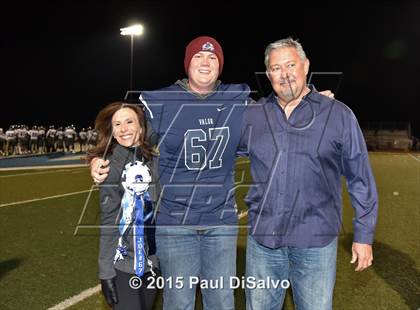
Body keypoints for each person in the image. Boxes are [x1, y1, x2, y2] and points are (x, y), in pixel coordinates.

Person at [90, 36, 334, 310]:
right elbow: (129, 136)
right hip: (175, 224)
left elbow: (277, 112)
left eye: (212, 58)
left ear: (220, 66)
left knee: (220, 301)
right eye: (198, 57)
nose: (205, 62)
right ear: (187, 64)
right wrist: (102, 157)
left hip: (221, 223)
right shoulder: (160, 101)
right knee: (179, 303)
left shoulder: (236, 98)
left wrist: (308, 98)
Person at [240, 37, 378, 310]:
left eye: (291, 64)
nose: (284, 74)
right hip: (263, 243)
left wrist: (363, 235)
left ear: (305, 66)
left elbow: (360, 178)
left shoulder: (338, 115)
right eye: (276, 68)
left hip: (315, 243)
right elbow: (217, 154)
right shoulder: (251, 115)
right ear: (268, 75)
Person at [87, 102, 160, 310]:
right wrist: (105, 271)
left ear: (142, 127)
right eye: (117, 124)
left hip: (153, 263)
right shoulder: (109, 165)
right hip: (123, 264)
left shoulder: (155, 161)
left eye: (129, 122)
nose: (124, 129)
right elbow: (109, 220)